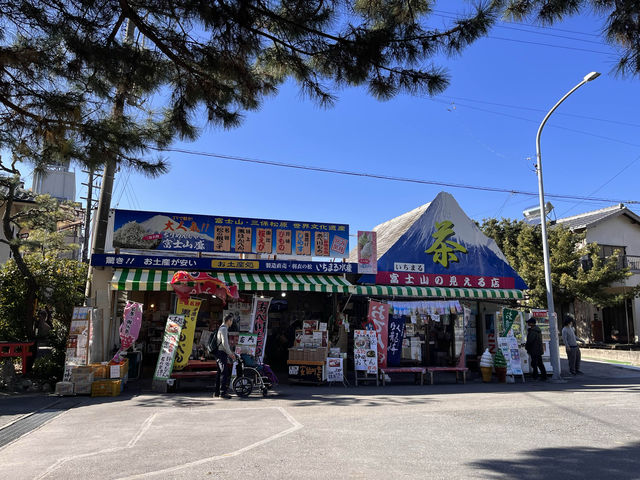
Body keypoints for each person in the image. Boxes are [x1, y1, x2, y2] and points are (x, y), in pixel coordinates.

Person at [214, 313, 236, 399]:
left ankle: (217, 392)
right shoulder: (223, 329)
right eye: (231, 321)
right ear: (228, 321)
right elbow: (225, 343)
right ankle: (223, 393)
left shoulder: (221, 328)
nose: (232, 323)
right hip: (221, 353)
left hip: (220, 353)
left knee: (220, 372)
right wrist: (230, 353)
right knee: (224, 372)